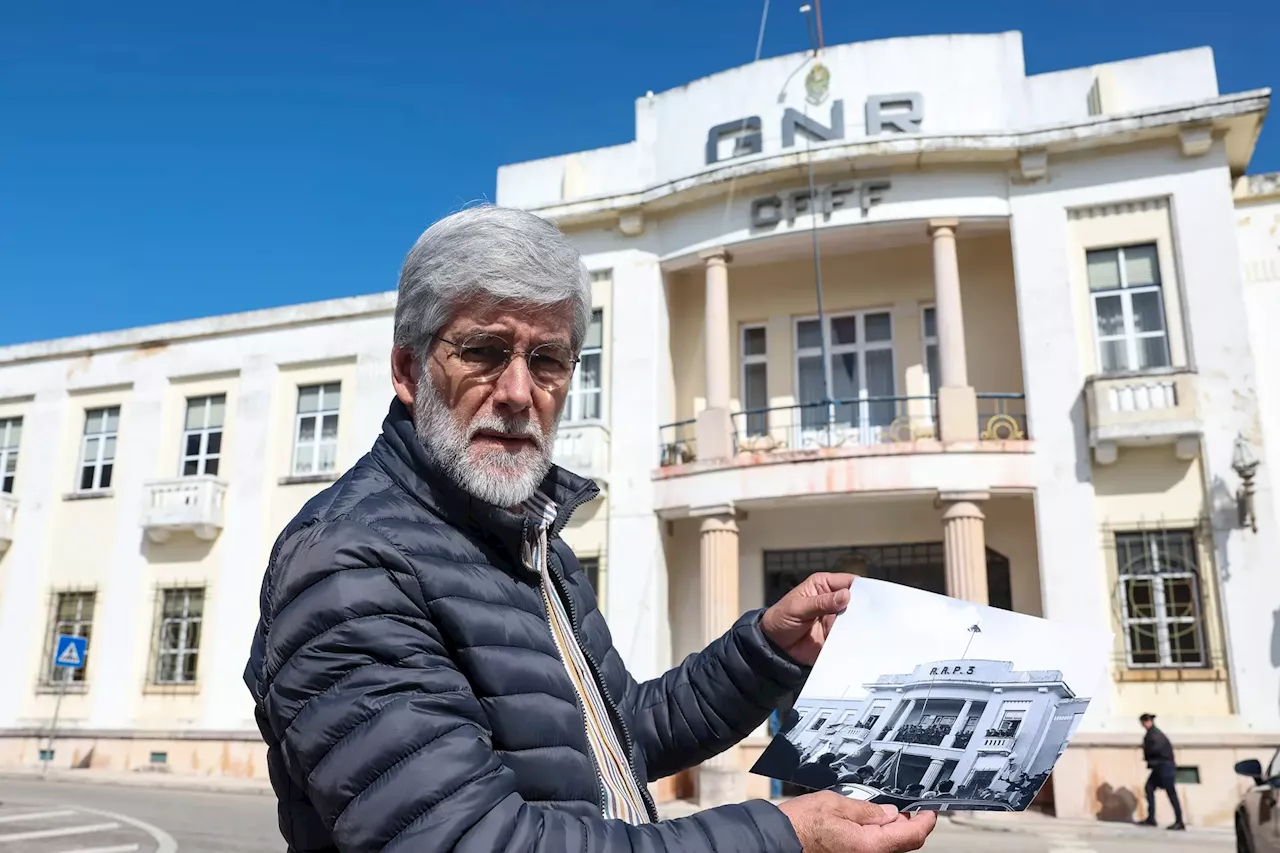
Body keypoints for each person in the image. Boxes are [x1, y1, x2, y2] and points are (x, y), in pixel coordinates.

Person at [243, 205, 937, 853]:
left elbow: (618, 731)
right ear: (408, 370)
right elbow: (476, 840)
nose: (519, 392)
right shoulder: (348, 563)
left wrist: (764, 650)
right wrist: (786, 834)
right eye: (485, 351)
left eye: (547, 360)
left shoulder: (531, 539)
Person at [1139, 713, 1185, 830]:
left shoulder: (1155, 735)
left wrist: (1147, 754)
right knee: (1149, 788)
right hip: (1159, 768)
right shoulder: (1152, 734)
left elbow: (1154, 750)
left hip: (1165, 768)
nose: (1144, 724)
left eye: (1146, 721)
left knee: (1171, 794)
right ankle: (1151, 818)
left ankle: (1179, 821)